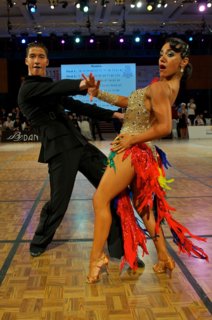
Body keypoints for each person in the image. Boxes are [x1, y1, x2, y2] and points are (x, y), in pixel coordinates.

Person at [84, 37, 208, 283]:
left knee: (100, 199)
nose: (163, 57)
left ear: (183, 62)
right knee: (145, 209)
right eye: (161, 53)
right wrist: (99, 94)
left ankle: (96, 257)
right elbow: (130, 103)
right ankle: (163, 257)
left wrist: (131, 140)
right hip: (143, 155)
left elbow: (164, 127)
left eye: (170, 54)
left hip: (132, 152)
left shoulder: (161, 88)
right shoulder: (164, 86)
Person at [17, 42, 127, 260]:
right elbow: (57, 88)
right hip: (59, 152)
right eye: (33, 56)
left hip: (81, 145)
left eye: (41, 56)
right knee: (58, 204)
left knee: (111, 190)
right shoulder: (28, 89)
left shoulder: (48, 89)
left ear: (47, 62)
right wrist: (82, 84)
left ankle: (118, 248)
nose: (37, 60)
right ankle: (39, 240)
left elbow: (78, 106)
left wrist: (113, 115)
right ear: (27, 61)